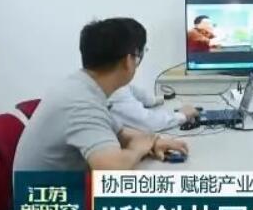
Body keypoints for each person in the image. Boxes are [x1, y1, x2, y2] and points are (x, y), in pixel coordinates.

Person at [14, 18, 189, 173]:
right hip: (47, 198)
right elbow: (112, 169)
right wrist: (138, 149)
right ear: (129, 60)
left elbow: (119, 132)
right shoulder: (82, 104)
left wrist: (153, 141)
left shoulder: (80, 86)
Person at [109, 85, 199, 132]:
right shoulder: (113, 90)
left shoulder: (112, 81)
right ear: (128, 61)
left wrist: (155, 100)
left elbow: (133, 91)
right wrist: (182, 115)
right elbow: (147, 122)